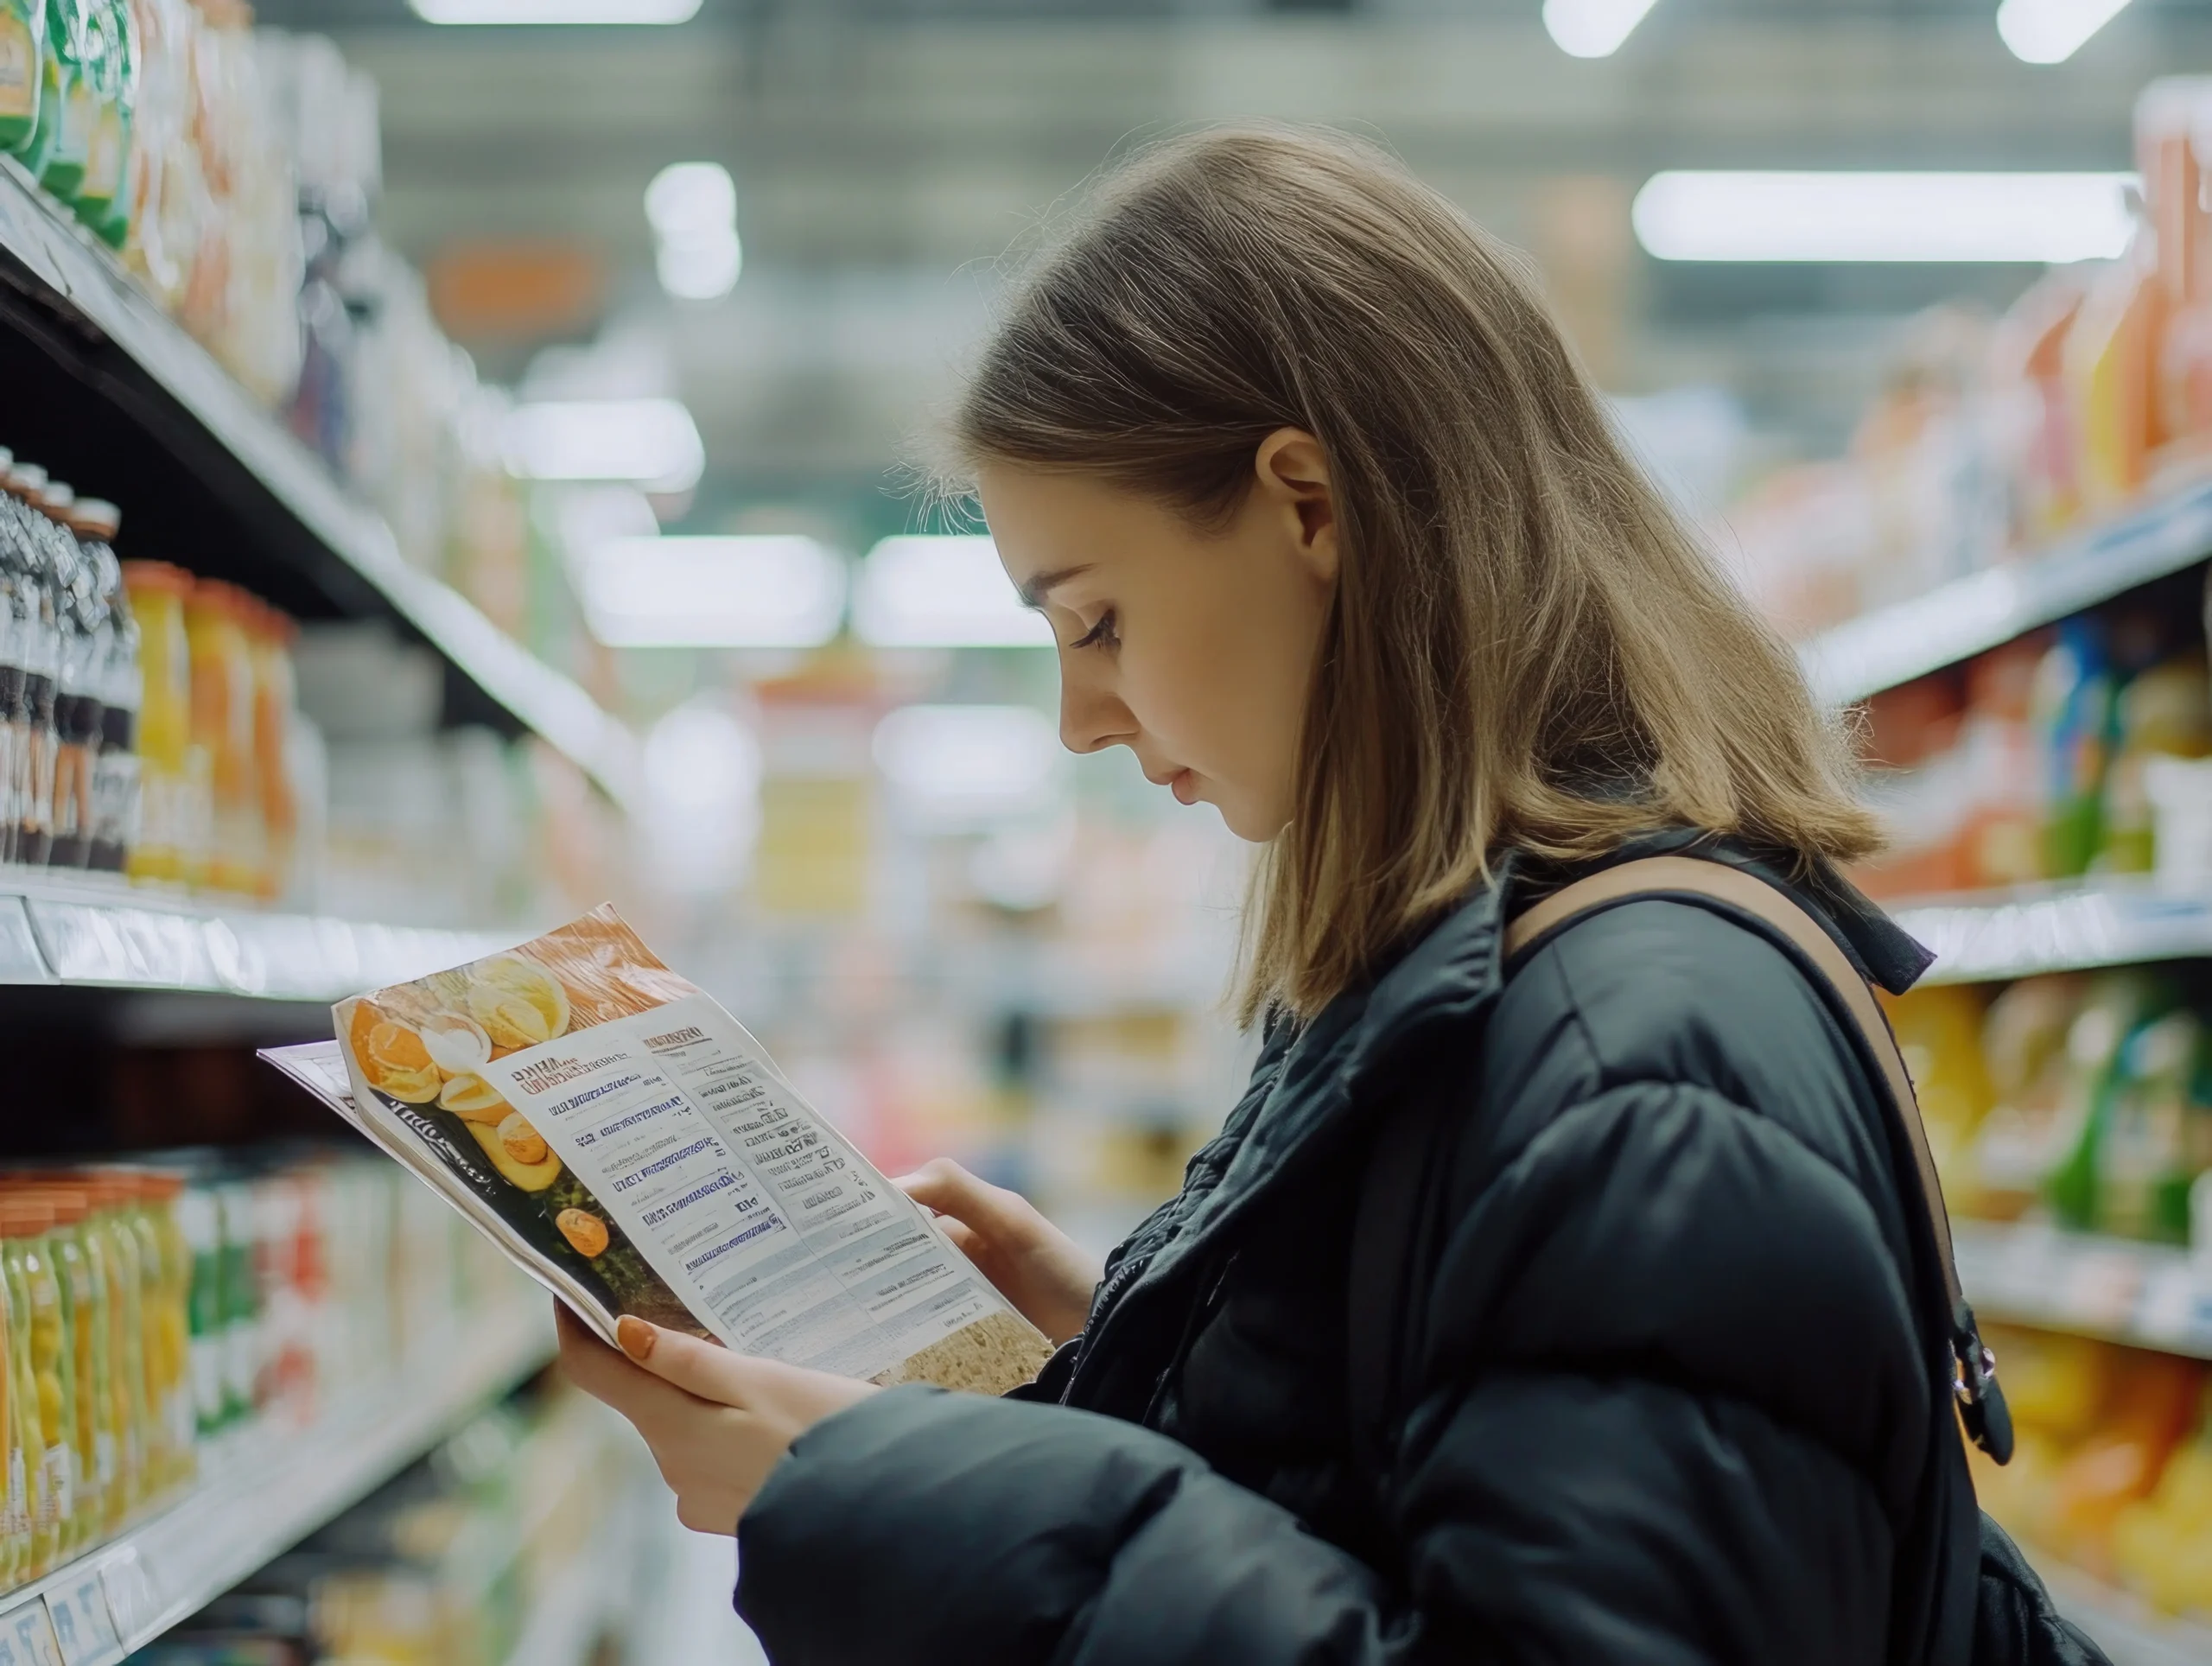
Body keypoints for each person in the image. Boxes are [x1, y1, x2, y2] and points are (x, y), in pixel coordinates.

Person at [558, 125, 1986, 1663]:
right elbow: (1431, 1502)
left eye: (1096, 619)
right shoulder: (1517, 976)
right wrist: (1140, 1343)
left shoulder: (1636, 1059)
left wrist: (901, 1500)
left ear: (1309, 506)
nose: (1077, 721)